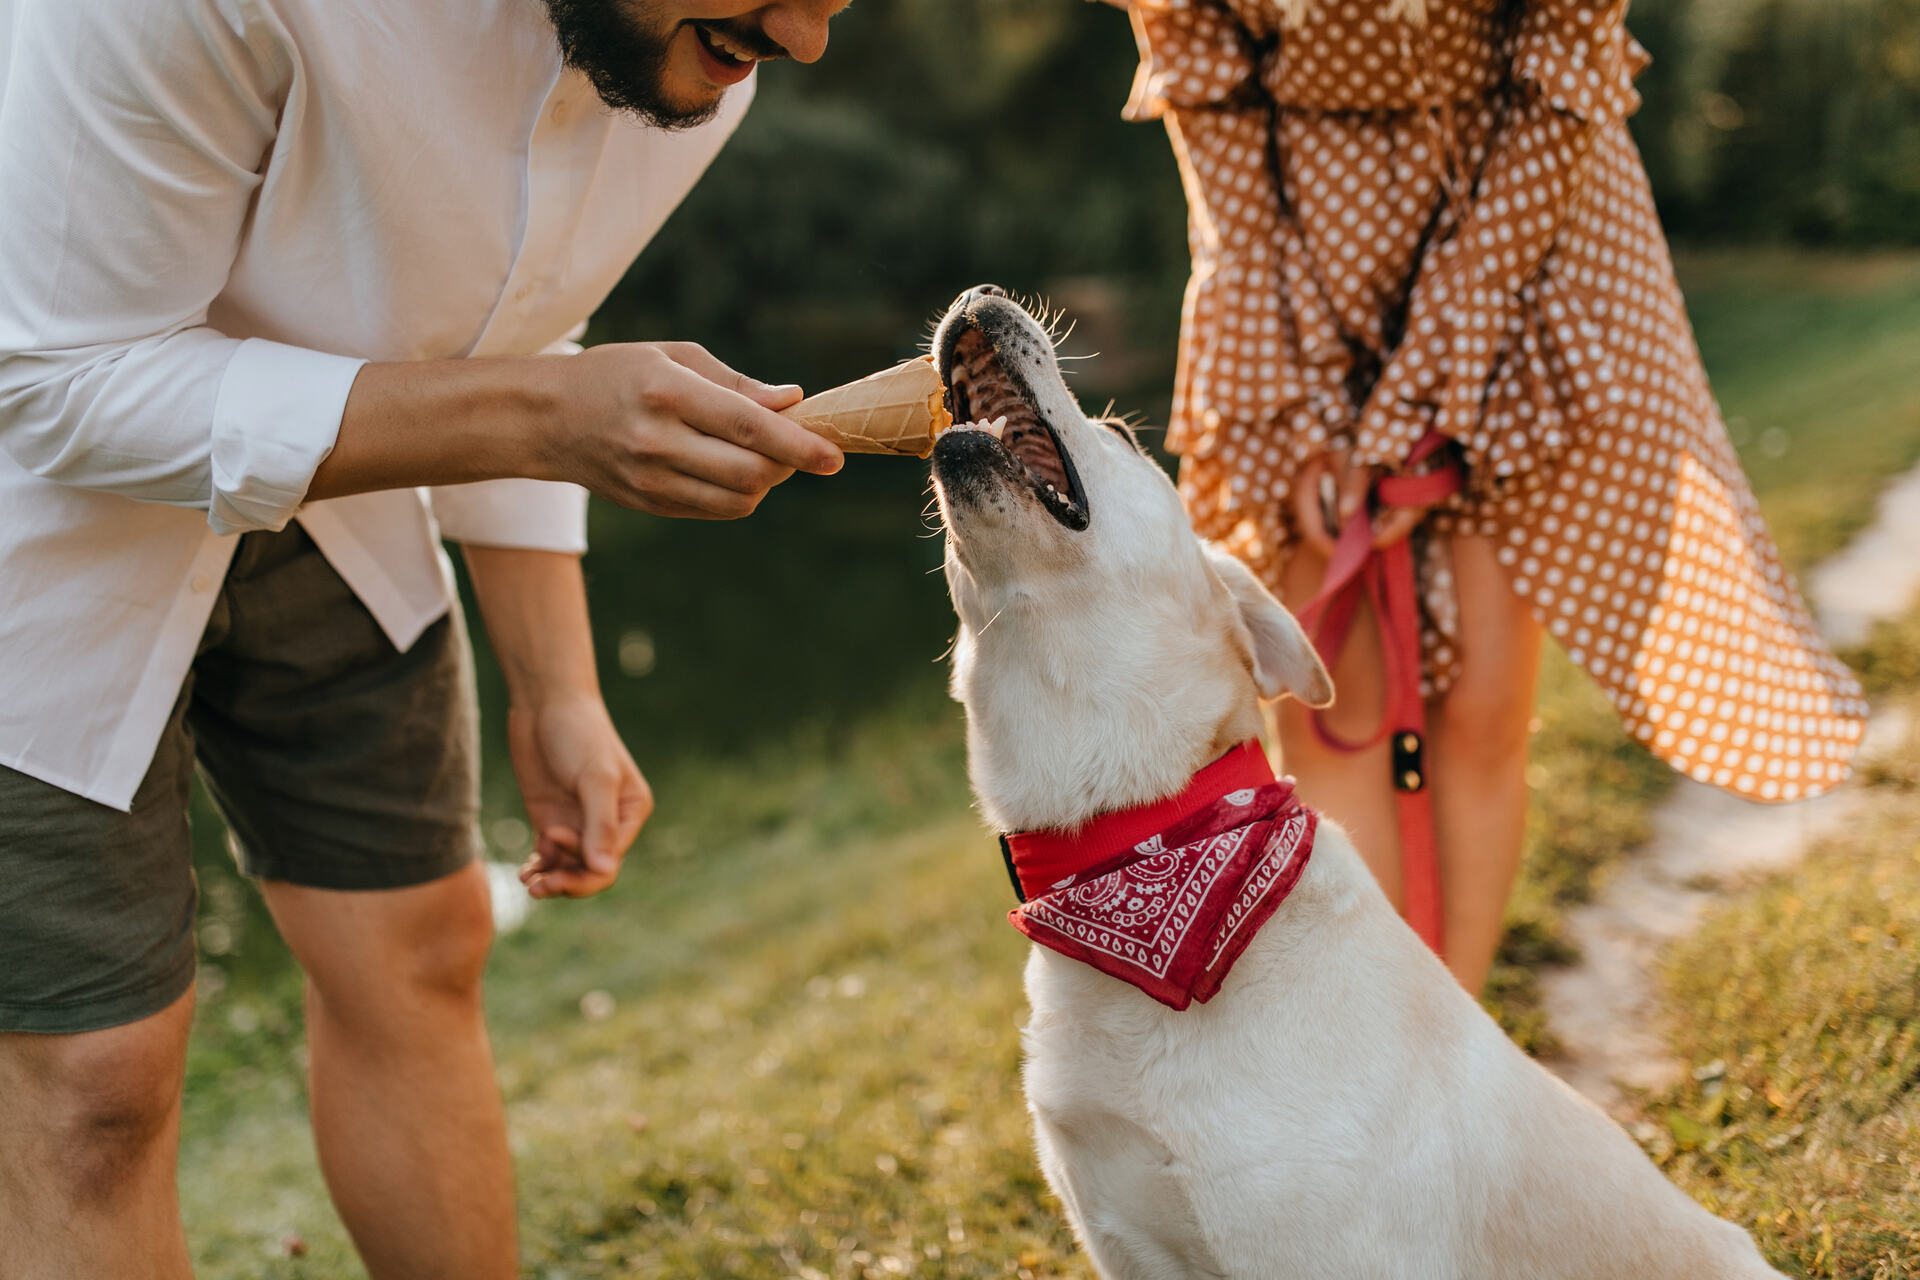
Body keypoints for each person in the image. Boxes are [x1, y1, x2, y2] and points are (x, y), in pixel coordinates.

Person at [0, 2, 848, 1276]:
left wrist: (558, 682)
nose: (806, 35)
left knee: (422, 945)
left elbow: (511, 334)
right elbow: (57, 378)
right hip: (39, 509)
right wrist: (541, 415)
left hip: (339, 493)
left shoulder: (703, 48)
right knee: (94, 1083)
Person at [1103, 0, 1868, 993]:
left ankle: (1448, 1044)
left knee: (1483, 707)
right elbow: (1231, 188)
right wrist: (1301, 426)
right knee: (1332, 698)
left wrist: (1413, 415)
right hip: (1294, 270)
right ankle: (1372, 1053)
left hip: (1518, 254)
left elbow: (1549, 105)